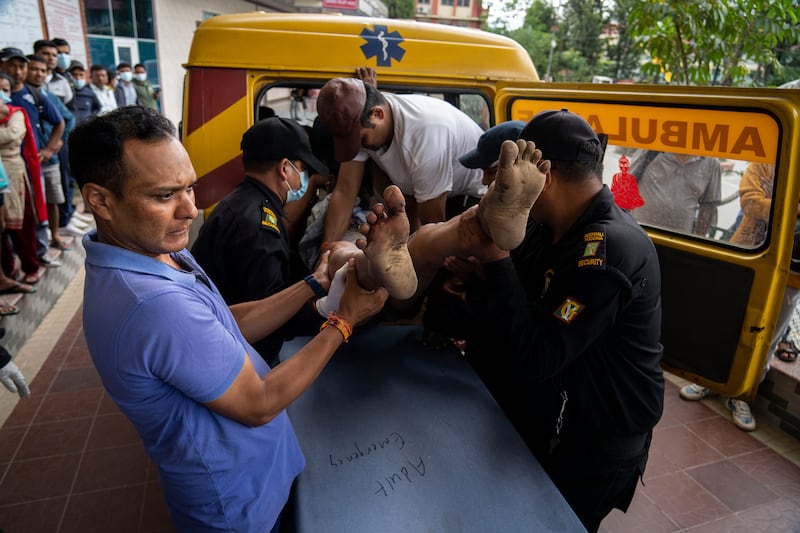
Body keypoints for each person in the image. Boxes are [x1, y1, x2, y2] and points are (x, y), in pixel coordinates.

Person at [69, 105, 388, 532]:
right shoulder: (152, 304)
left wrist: (313, 284)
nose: (189, 208)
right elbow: (257, 403)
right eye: (164, 195)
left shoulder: (149, 251)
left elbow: (221, 321)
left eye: (189, 187)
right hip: (238, 507)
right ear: (100, 200)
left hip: (253, 480)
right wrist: (343, 323)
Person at [348, 109, 664, 531]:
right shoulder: (541, 227)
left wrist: (495, 263)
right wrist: (453, 303)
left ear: (543, 179)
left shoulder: (607, 253)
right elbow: (515, 306)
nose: (492, 187)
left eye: (505, 176)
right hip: (544, 408)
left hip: (593, 438)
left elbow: (535, 354)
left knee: (553, 523)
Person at [191, 117, 332, 367]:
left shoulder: (239, 203)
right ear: (285, 168)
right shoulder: (259, 226)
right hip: (243, 357)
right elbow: (269, 314)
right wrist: (329, 310)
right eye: (303, 169)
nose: (304, 178)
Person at [679, 162, 800, 430]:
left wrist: (779, 207)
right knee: (725, 322)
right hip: (750, 255)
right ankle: (707, 379)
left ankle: (742, 395)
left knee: (768, 338)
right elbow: (751, 204)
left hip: (793, 272)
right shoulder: (765, 165)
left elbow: (763, 205)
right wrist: (794, 208)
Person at [315, 76, 486, 242]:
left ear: (378, 114)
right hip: (420, 192)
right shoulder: (361, 122)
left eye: (362, 140)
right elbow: (345, 192)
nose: (359, 148)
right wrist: (327, 251)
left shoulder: (425, 133)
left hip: (468, 198)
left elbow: (432, 227)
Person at [2, 48, 63, 268]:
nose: (17, 71)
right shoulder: (5, 94)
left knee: (38, 210)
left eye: (21, 66)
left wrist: (48, 149)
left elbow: (59, 121)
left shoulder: (34, 95)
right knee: (10, 216)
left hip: (32, 165)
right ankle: (13, 262)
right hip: (7, 169)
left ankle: (40, 252)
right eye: (12, 65)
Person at [0, 71, 44, 287]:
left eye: (5, 90)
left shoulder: (17, 113)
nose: (1, 94)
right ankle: (7, 271)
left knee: (22, 224)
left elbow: (12, 135)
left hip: (14, 173)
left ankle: (30, 266)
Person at [631, 150, 721, 236]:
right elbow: (625, 186)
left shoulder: (711, 162)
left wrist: (698, 241)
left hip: (678, 241)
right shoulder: (650, 150)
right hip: (639, 232)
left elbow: (708, 207)